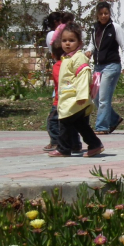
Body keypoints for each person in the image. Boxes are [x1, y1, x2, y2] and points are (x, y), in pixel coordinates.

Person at [48, 22, 104, 157]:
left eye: (71, 40)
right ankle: (95, 144)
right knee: (79, 124)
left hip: (76, 98)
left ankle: (64, 148)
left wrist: (82, 95)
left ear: (79, 42)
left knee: (65, 122)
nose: (67, 44)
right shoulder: (67, 58)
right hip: (68, 98)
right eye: (64, 40)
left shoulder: (78, 57)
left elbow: (84, 76)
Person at [85, 2, 124, 135]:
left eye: (106, 13)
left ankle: (102, 127)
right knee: (96, 98)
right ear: (97, 15)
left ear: (109, 14)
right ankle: (114, 119)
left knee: (104, 98)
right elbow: (92, 44)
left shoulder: (115, 28)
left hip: (112, 66)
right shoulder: (94, 29)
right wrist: (88, 52)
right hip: (98, 66)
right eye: (101, 14)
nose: (104, 16)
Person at [43, 12, 81, 153]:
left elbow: (61, 83)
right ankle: (75, 145)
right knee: (71, 124)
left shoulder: (59, 65)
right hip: (69, 99)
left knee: (53, 122)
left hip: (60, 101)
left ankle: (55, 142)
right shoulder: (69, 63)